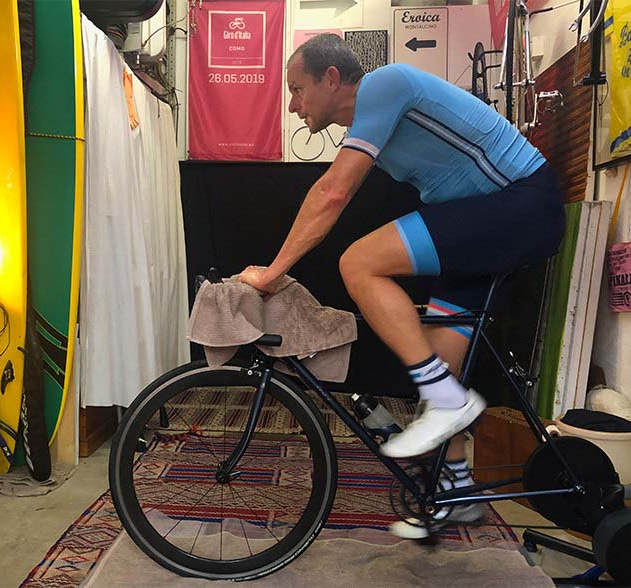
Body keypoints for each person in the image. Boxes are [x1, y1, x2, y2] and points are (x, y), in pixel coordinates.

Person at [237, 34, 565, 533]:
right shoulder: (373, 120)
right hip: (487, 220)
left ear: (331, 79)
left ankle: (447, 401)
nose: (291, 103)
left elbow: (332, 193)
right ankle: (456, 488)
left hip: (518, 204)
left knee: (359, 263)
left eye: (297, 89)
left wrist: (271, 273)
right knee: (438, 364)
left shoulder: (384, 85)